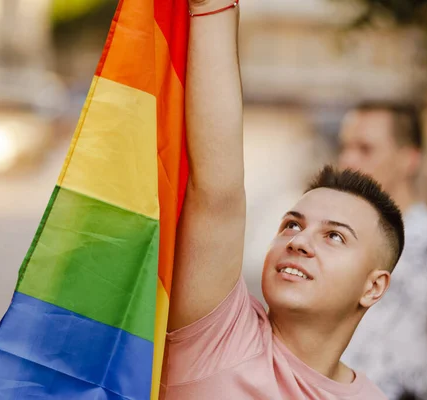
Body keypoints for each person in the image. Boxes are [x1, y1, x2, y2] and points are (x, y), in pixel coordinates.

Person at [159, 2, 405, 399]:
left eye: (335, 237)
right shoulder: (220, 336)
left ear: (374, 287)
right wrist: (212, 8)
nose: (298, 241)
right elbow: (217, 195)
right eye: (292, 224)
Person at [337, 103, 427, 400]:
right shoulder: (333, 242)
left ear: (409, 159)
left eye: (365, 149)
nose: (347, 160)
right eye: (345, 147)